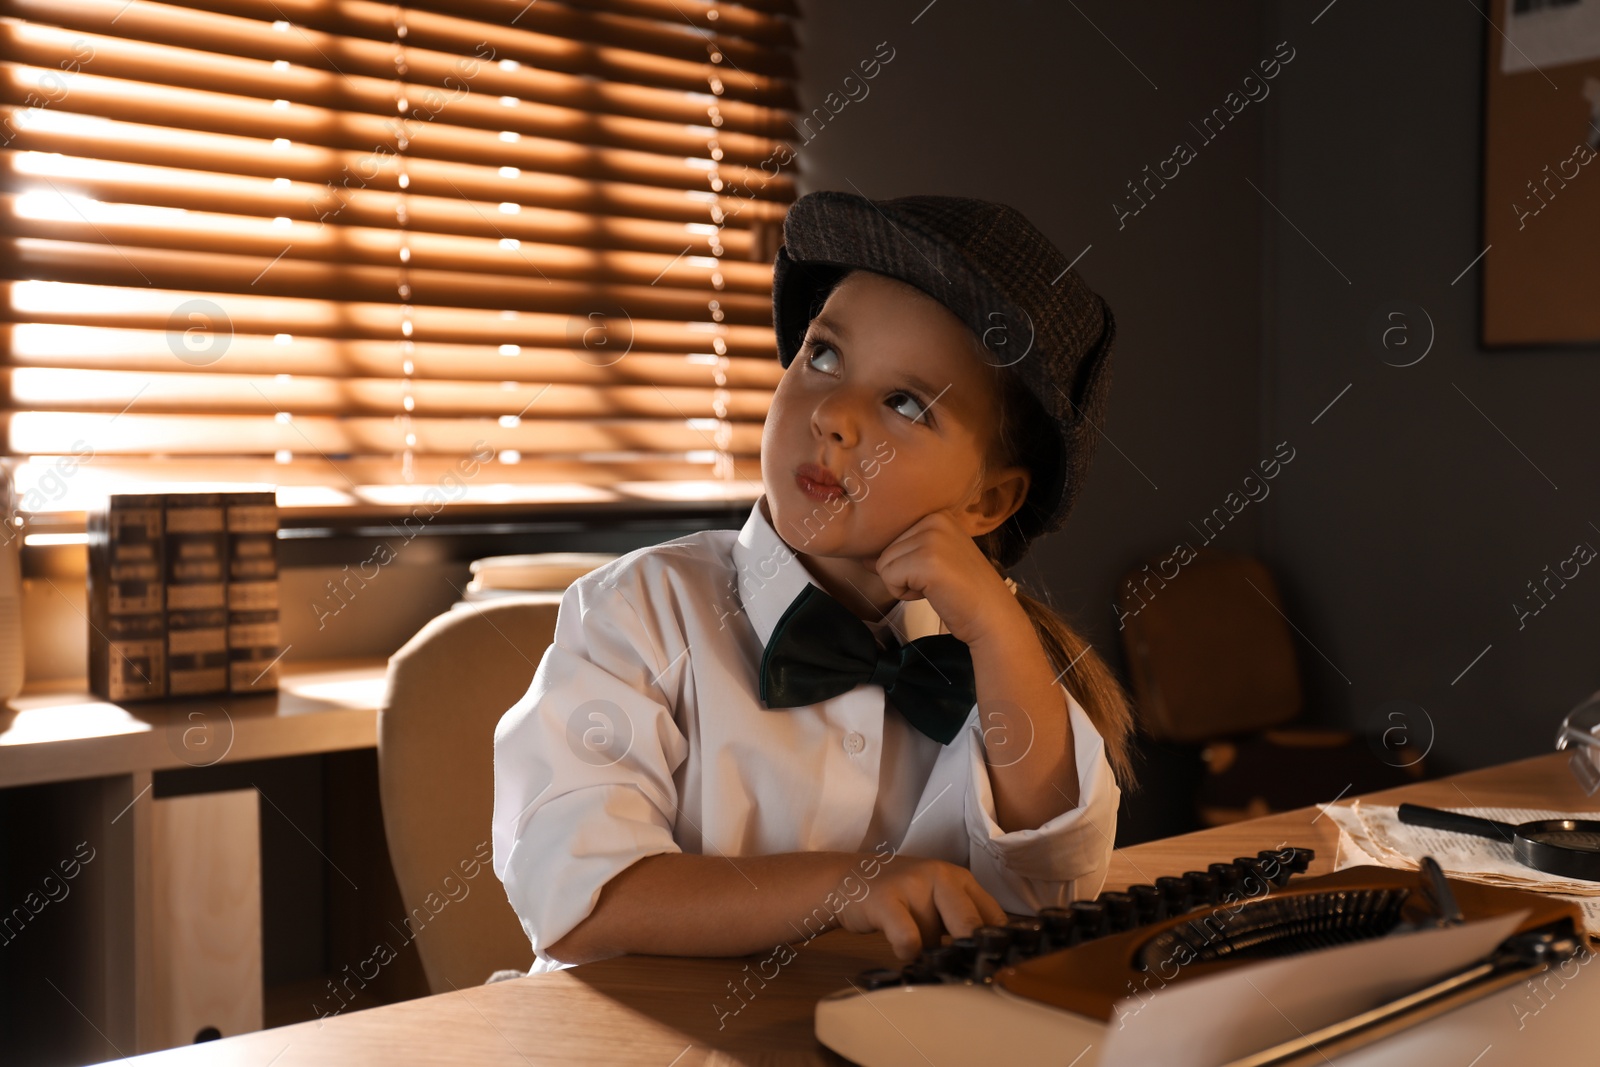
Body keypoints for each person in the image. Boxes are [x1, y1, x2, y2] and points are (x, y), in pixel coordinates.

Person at [492, 190, 1136, 977]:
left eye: (905, 403)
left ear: (988, 500)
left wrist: (1001, 630)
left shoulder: (994, 664)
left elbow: (1053, 887)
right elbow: (583, 901)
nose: (834, 414)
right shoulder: (637, 614)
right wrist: (846, 885)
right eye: (824, 355)